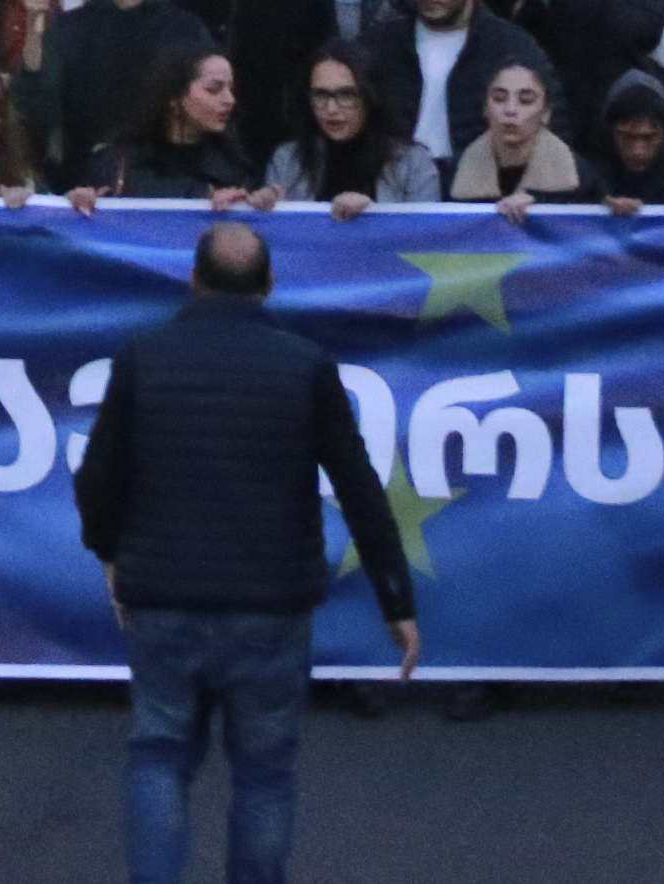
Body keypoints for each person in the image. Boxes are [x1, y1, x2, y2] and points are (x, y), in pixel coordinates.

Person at [72, 222, 419, 884]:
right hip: (271, 608)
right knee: (263, 774)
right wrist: (394, 597)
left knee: (158, 756)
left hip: (162, 597)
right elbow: (358, 488)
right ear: (268, 286)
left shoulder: (142, 357)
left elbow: (97, 480)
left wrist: (109, 555)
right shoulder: (305, 364)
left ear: (193, 279)